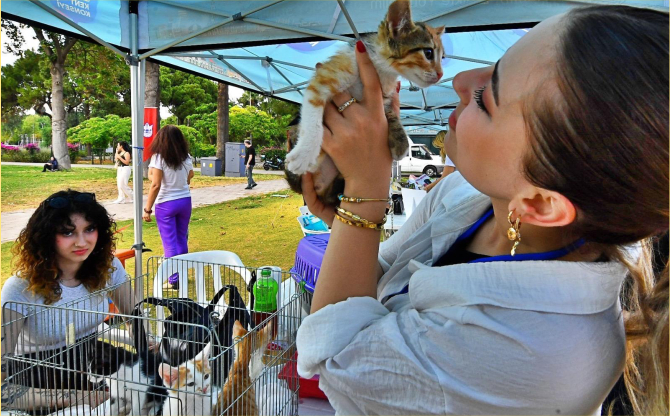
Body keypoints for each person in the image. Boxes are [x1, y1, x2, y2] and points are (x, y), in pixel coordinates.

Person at [295, 5, 668, 415]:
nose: (457, 80)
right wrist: (349, 221)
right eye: (493, 66)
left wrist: (365, 194)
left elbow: (335, 357)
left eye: (487, 98)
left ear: (541, 204)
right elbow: (381, 271)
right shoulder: (467, 195)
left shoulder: (529, 350)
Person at [1, 190, 135, 413]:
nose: (82, 241)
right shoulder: (20, 287)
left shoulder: (108, 267)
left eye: (89, 229)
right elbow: (3, 387)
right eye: (68, 232)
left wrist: (151, 348)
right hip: (39, 374)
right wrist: (77, 397)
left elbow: (135, 317)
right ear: (45, 236)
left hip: (93, 359)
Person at [143, 125, 194, 290]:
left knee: (169, 243)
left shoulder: (159, 157)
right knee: (181, 240)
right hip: (185, 201)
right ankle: (182, 275)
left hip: (166, 204)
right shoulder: (186, 157)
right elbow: (190, 175)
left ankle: (174, 280)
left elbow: (155, 184)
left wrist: (147, 209)